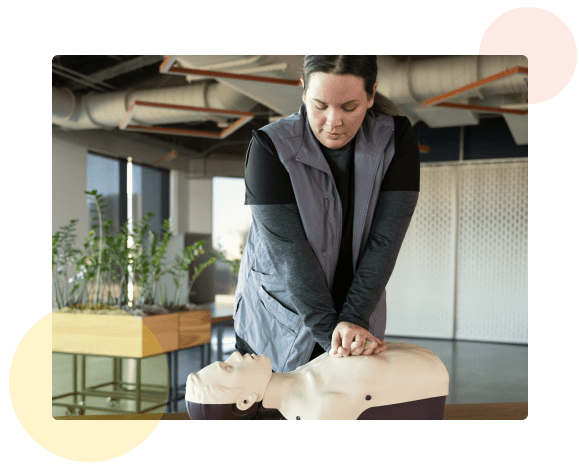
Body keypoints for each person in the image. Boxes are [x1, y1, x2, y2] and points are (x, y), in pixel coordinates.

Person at [234, 55, 420, 373]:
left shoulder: (395, 140)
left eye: (349, 107)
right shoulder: (269, 147)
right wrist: (338, 341)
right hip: (278, 323)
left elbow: (384, 241)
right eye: (320, 105)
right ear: (304, 90)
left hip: (357, 319)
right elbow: (290, 256)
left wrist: (354, 321)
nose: (333, 121)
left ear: (371, 94)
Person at [185, 341, 449, 420]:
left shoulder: (302, 375)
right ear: (245, 401)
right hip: (428, 376)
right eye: (228, 368)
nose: (234, 355)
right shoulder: (316, 409)